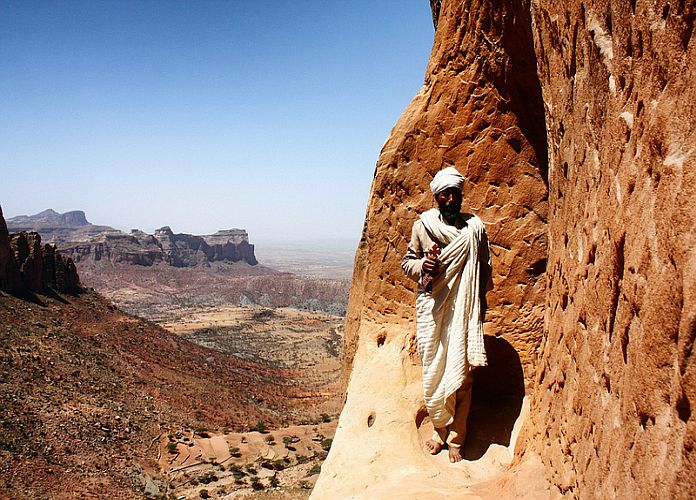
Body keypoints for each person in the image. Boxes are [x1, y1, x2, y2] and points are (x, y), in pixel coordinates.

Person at [401, 166, 493, 463]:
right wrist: (424, 268)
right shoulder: (424, 226)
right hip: (433, 308)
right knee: (434, 370)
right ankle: (439, 430)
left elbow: (485, 268)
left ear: (460, 195)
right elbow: (407, 262)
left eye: (455, 193)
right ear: (437, 197)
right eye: (445, 194)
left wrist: (478, 304)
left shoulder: (474, 229)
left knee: (462, 377)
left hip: (464, 312)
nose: (451, 199)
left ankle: (457, 437)